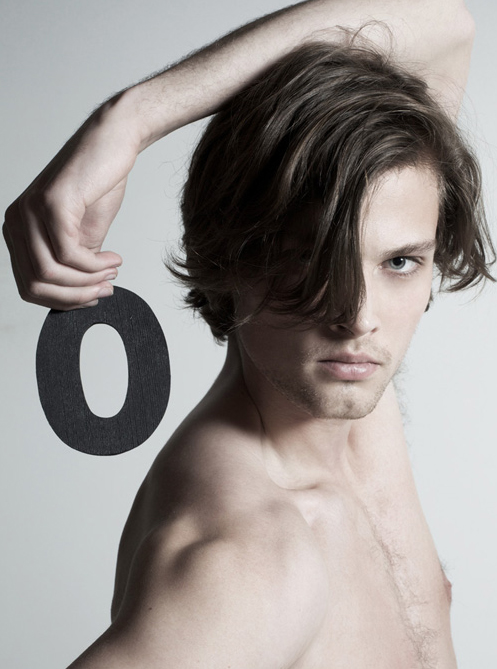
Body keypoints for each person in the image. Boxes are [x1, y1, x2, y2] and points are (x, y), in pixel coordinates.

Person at [3, 1, 495, 667]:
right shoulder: (249, 561)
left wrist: (133, 119)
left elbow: (444, 24)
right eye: (308, 260)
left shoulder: (354, 417)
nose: (357, 316)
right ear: (229, 256)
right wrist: (126, 124)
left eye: (399, 262)